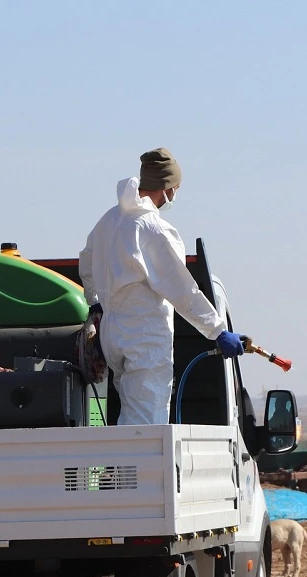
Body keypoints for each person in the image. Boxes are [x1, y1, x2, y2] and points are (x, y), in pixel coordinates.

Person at [78, 148, 245, 425]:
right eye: (176, 188)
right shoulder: (152, 228)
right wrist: (217, 331)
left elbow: (86, 261)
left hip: (113, 334)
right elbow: (182, 289)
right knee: (145, 425)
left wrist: (95, 300)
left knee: (131, 412)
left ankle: (124, 466)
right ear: (167, 188)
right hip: (144, 337)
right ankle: (137, 469)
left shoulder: (110, 219)